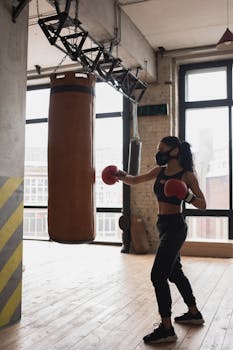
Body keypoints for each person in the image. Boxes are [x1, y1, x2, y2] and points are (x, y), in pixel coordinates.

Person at [115, 136, 206, 344]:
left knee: (158, 275)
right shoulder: (160, 171)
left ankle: (166, 329)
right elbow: (136, 180)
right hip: (162, 226)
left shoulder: (187, 175)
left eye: (162, 149)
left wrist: (187, 196)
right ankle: (193, 313)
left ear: (175, 151)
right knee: (175, 273)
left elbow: (203, 204)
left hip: (175, 227)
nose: (159, 153)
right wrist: (121, 176)